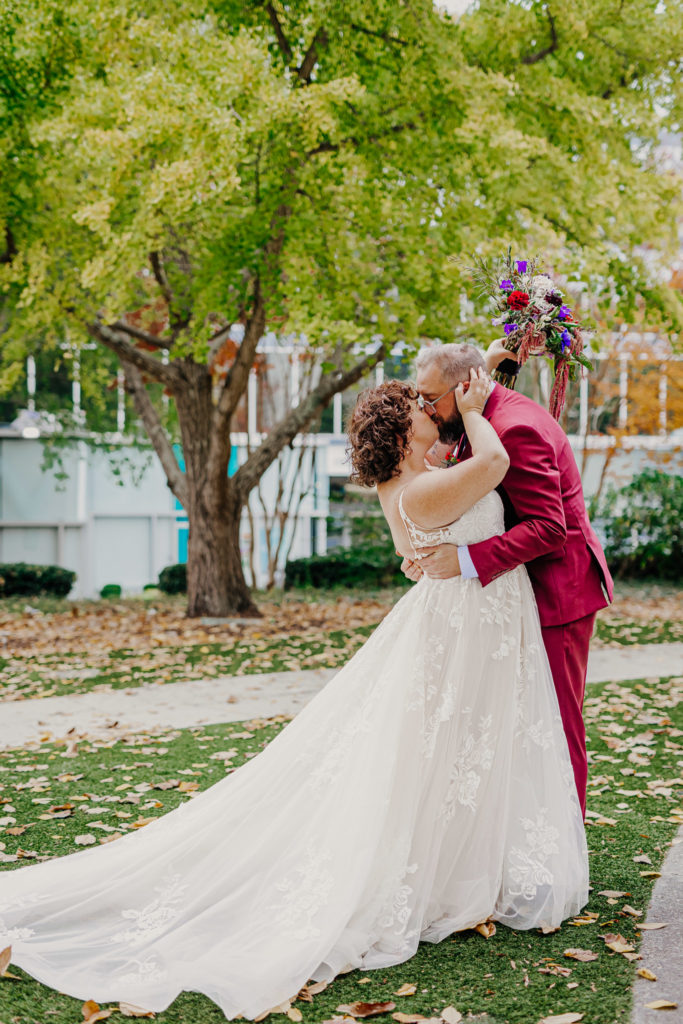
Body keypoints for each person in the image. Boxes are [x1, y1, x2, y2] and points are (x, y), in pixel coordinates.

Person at [0, 372, 588, 1021]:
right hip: (467, 623)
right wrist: (475, 408)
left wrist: (500, 363)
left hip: (480, 623)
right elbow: (498, 463)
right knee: (445, 749)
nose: (431, 411)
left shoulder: (421, 473)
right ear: (401, 433)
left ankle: (465, 866)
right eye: (418, 408)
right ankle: (443, 875)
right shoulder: (424, 486)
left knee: (459, 750)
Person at [408, 342, 614, 815]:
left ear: (463, 390)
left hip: (559, 594)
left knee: (558, 725)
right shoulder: (474, 413)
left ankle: (568, 844)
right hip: (515, 594)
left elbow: (548, 527)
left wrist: (462, 559)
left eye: (429, 399)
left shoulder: (516, 428)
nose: (424, 409)